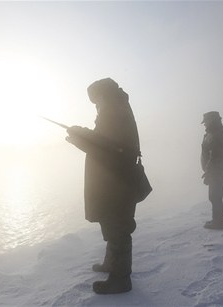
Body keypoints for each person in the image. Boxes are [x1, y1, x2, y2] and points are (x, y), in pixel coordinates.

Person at [65, 78, 140, 294]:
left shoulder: (112, 109)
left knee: (118, 227)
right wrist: (80, 135)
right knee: (112, 223)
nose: (95, 106)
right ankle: (112, 264)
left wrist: (78, 136)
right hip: (116, 179)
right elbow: (106, 141)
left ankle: (121, 279)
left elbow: (105, 148)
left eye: (95, 100)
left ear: (101, 95)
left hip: (116, 181)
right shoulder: (116, 105)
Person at [200, 111, 223, 230]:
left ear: (211, 121)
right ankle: (217, 220)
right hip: (218, 169)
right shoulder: (214, 131)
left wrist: (208, 172)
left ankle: (218, 222)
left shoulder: (216, 134)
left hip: (217, 171)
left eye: (205, 122)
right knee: (215, 196)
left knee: (215, 196)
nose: (204, 125)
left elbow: (215, 156)